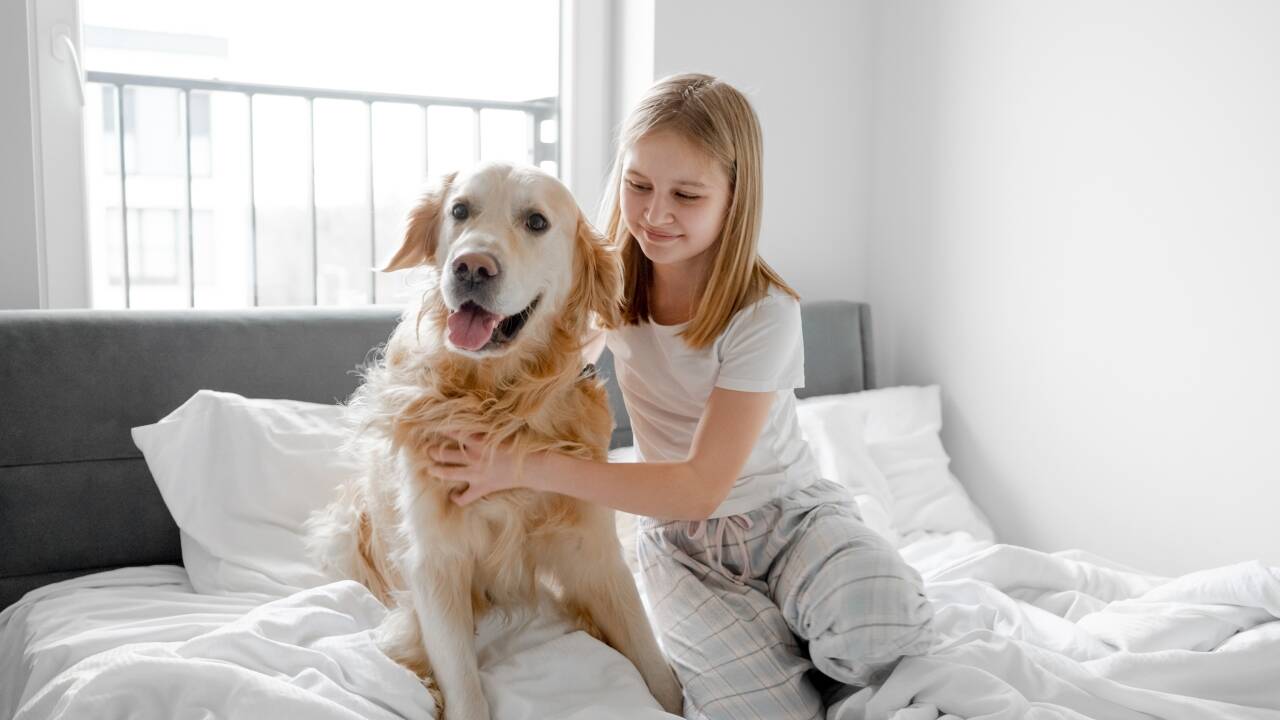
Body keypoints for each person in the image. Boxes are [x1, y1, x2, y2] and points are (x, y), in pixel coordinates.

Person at [431, 73, 935, 719]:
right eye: (638, 186)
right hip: (681, 545)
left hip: (788, 516)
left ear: (734, 197)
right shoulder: (603, 282)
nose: (655, 214)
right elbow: (534, 364)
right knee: (754, 712)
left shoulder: (764, 313)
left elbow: (702, 486)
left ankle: (837, 628)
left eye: (687, 195)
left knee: (883, 630)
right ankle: (803, 643)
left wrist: (523, 467)